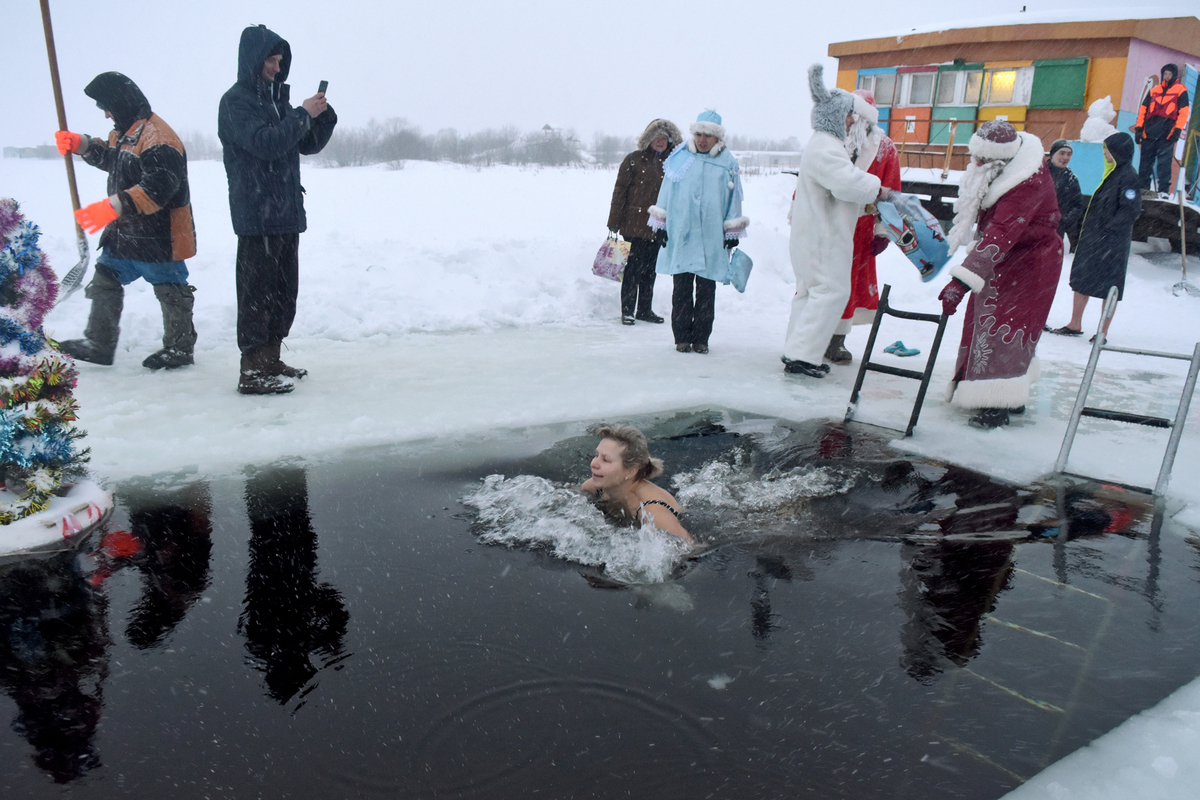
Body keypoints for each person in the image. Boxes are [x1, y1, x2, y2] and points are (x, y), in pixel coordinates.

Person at [218, 25, 337, 395]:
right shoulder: (236, 102)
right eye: (271, 60)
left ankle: (269, 360)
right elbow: (266, 144)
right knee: (257, 296)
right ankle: (252, 371)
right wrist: (301, 115)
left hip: (286, 214)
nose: (276, 66)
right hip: (257, 217)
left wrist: (322, 116)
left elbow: (304, 144)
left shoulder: (277, 102)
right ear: (254, 61)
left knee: (284, 295)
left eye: (280, 60)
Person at [54, 72, 197, 370]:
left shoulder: (159, 138)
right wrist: (80, 144)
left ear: (121, 103)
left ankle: (179, 348)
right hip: (125, 235)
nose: (106, 114)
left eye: (107, 106)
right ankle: (99, 343)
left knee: (170, 289)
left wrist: (111, 208)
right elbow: (112, 158)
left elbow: (159, 189)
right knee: (105, 280)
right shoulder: (127, 133)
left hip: (160, 236)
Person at [937, 120, 1062, 429]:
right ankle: (1004, 396)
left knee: (1005, 329)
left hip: (1031, 263)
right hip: (1006, 259)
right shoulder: (1005, 171)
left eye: (981, 159)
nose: (975, 163)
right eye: (974, 156)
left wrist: (960, 281)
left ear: (999, 159)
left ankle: (998, 404)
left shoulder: (1026, 182)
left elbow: (1001, 232)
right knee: (989, 326)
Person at [782, 65, 889, 378]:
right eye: (848, 115)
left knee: (809, 293)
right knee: (831, 292)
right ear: (835, 115)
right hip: (823, 238)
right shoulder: (826, 147)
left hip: (814, 234)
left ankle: (796, 349)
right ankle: (803, 356)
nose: (852, 120)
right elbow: (845, 182)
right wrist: (876, 189)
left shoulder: (821, 144)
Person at [648, 111, 748, 354]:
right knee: (681, 287)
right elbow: (666, 192)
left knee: (706, 289)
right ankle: (681, 336)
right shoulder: (680, 158)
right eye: (699, 134)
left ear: (717, 139)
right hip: (682, 231)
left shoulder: (727, 163)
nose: (703, 140)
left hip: (710, 236)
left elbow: (733, 199)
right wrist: (660, 224)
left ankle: (701, 338)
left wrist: (731, 229)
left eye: (709, 136)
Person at [824, 89, 902, 365]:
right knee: (822, 280)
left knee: (849, 283)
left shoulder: (886, 148)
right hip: (827, 222)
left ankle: (837, 340)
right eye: (850, 114)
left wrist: (883, 232)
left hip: (862, 225)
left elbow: (891, 192)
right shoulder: (830, 142)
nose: (853, 120)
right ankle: (813, 336)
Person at [1047, 133, 1142, 340]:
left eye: (1107, 149)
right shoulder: (1112, 174)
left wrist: (1108, 230)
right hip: (1094, 239)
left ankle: (1102, 332)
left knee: (1110, 285)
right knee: (1083, 279)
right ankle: (1075, 323)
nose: (1105, 153)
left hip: (1111, 243)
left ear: (1117, 151)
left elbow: (1130, 210)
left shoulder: (1127, 176)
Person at [607, 119, 683, 325]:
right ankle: (628, 311)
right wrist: (614, 220)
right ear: (649, 139)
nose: (660, 142)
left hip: (658, 227)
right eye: (656, 138)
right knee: (632, 270)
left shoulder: (674, 163)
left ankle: (644, 309)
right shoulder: (633, 159)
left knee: (650, 270)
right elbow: (620, 190)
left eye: (664, 139)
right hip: (634, 224)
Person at [579, 425, 692, 544]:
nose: (594, 464)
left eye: (606, 460)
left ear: (631, 471)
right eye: (596, 455)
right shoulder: (595, 487)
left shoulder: (652, 511)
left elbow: (690, 548)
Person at [1135, 63, 1190, 195]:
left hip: (1167, 135)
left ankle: (1163, 192)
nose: (1167, 77)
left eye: (1170, 74)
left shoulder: (1181, 90)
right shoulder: (1154, 90)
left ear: (1174, 75)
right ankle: (1143, 190)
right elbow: (1143, 110)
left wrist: (1177, 130)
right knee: (1144, 165)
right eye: (1165, 74)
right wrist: (1138, 129)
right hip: (1149, 133)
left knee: (1164, 166)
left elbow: (1184, 112)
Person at [1046, 139, 1083, 251]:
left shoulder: (1071, 179)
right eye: (1062, 153)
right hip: (1036, 228)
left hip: (1057, 231)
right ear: (1053, 154)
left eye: (1069, 154)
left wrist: (1064, 220)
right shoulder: (1040, 173)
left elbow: (1078, 205)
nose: (1065, 157)